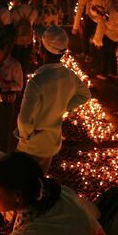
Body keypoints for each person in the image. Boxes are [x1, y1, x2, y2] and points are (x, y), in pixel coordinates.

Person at [16, 26, 91, 174]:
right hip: (51, 143)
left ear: (41, 50)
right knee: (39, 179)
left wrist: (26, 136)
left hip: (32, 146)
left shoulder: (37, 82)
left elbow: (24, 121)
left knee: (23, 182)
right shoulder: (69, 75)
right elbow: (85, 95)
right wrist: (64, 107)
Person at [10, 0, 38, 76]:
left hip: (16, 40)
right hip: (28, 40)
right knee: (25, 62)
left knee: (16, 62)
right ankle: (24, 80)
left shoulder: (14, 11)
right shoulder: (34, 11)